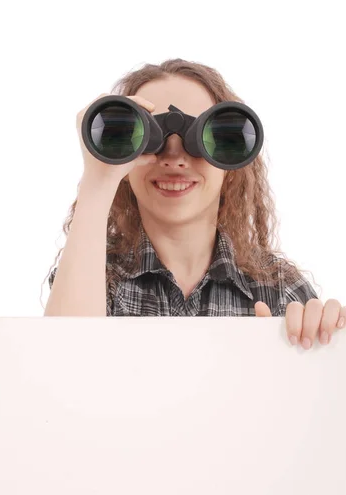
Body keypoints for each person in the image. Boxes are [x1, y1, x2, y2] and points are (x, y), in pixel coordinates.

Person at [44, 58, 322, 322]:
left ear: (229, 158)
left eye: (205, 137)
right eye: (147, 138)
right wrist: (98, 179)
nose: (174, 160)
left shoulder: (279, 289)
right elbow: (63, 358)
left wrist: (319, 343)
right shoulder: (94, 273)